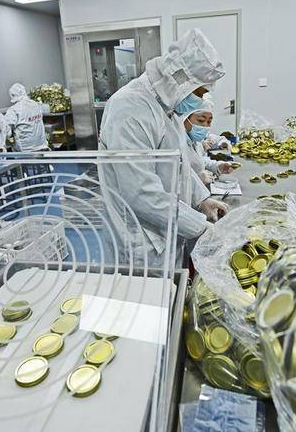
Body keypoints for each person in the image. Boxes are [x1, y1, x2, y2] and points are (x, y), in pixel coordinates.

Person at [98, 28, 228, 264]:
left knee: (173, 284)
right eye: (199, 92)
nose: (199, 100)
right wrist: (199, 226)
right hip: (141, 242)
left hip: (167, 229)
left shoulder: (166, 106)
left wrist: (202, 200)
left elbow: (180, 165)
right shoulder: (129, 109)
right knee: (150, 288)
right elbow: (140, 193)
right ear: (180, 80)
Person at [180, 97, 234, 185]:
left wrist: (218, 166)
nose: (205, 126)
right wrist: (195, 179)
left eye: (209, 121)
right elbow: (169, 177)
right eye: (201, 120)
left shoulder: (194, 139)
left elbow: (199, 161)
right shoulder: (178, 141)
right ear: (186, 118)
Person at [5, 83, 49, 152]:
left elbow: (7, 133)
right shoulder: (36, 104)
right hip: (42, 147)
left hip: (25, 151)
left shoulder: (14, 110)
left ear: (13, 95)